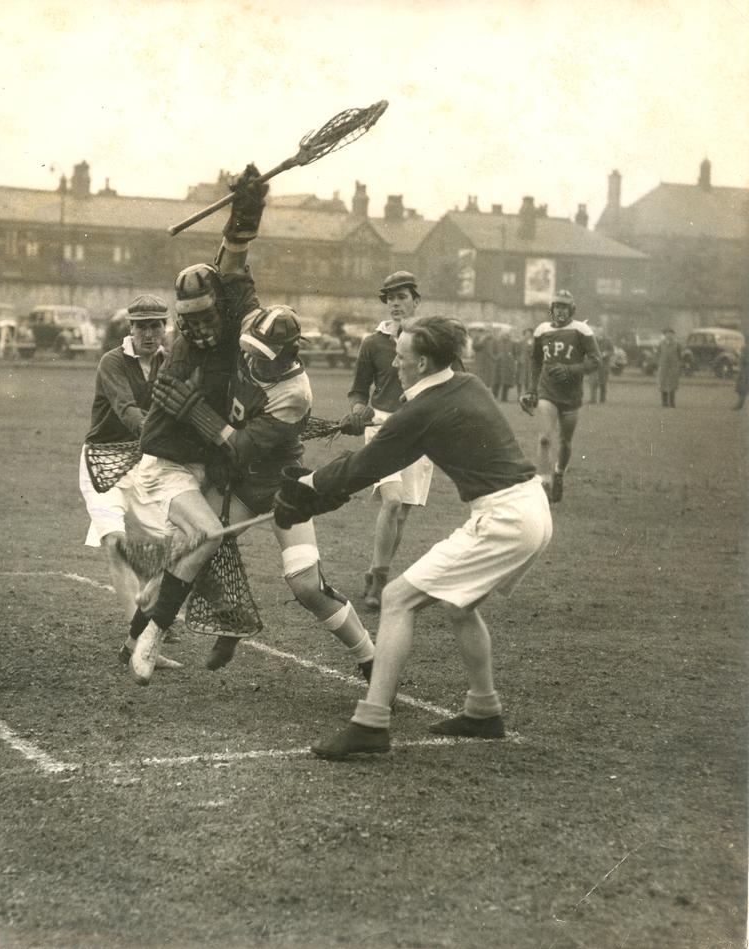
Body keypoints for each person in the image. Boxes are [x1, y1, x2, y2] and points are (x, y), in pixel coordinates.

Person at [272, 315, 553, 758]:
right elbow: (376, 460)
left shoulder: (424, 408)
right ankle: (484, 709)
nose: (394, 365)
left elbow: (368, 465)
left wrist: (305, 489)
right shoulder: (466, 383)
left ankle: (370, 724)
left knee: (398, 598)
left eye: (401, 358)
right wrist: (318, 493)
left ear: (422, 363)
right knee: (460, 607)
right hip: (530, 508)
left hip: (506, 519)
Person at [155, 304, 376, 677]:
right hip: (238, 484)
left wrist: (196, 412)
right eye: (249, 349)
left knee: (307, 587)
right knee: (189, 546)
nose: (250, 360)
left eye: (262, 356)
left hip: (280, 487)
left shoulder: (295, 393)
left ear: (289, 353)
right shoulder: (248, 339)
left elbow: (240, 446)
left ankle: (369, 656)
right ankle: (232, 617)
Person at [122, 164, 269, 684]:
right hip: (164, 466)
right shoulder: (180, 355)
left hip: (201, 468)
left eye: (210, 316)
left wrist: (247, 209)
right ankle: (150, 638)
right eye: (192, 320)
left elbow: (232, 259)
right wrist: (213, 429)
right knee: (207, 534)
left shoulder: (231, 316)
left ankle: (139, 618)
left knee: (187, 553)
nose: (203, 328)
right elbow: (175, 430)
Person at [79, 294, 173, 667]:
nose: (149, 333)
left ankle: (141, 632)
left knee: (178, 548)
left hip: (146, 464)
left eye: (156, 325)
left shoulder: (170, 363)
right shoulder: (113, 362)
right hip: (101, 462)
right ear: (130, 329)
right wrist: (164, 432)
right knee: (116, 544)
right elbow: (127, 411)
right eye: (142, 326)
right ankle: (136, 645)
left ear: (165, 328)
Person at [339, 271, 435, 610]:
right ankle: (379, 581)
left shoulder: (433, 341)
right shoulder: (373, 342)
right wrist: (358, 408)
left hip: (421, 430)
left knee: (402, 514)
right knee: (391, 502)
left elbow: (456, 380)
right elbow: (358, 389)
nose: (395, 303)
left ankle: (374, 573)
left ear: (416, 300)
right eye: (390, 298)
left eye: (402, 297)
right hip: (381, 428)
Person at [518, 290, 599, 503]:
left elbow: (595, 361)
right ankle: (543, 482)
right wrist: (531, 389)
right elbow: (535, 361)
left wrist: (571, 369)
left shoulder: (581, 329)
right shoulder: (542, 330)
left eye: (564, 307)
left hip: (571, 393)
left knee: (565, 441)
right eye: (557, 307)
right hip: (548, 390)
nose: (560, 311)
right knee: (545, 438)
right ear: (551, 309)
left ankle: (559, 473)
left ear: (571, 310)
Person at [656, 327, 682, 408]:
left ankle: (672, 402)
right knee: (663, 384)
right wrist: (660, 363)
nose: (669, 335)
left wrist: (677, 364)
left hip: (673, 367)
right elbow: (658, 354)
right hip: (663, 367)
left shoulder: (677, 344)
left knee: (672, 385)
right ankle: (664, 403)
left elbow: (679, 355)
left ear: (673, 335)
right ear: (665, 335)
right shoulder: (661, 344)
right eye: (667, 334)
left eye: (671, 334)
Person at [488, 327, 515, 402]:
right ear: (501, 334)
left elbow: (514, 353)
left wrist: (512, 359)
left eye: (507, 334)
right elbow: (491, 352)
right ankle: (494, 397)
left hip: (508, 365)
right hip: (498, 365)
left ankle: (504, 397)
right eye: (504, 333)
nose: (506, 335)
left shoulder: (511, 342)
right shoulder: (496, 341)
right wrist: (496, 358)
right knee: (496, 381)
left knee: (507, 382)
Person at [589, 330, 616, 404]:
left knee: (603, 382)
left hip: (604, 365)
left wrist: (605, 354)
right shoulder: (592, 341)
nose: (597, 334)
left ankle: (602, 399)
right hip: (594, 364)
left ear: (603, 334)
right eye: (596, 333)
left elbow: (612, 351)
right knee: (593, 382)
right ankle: (593, 399)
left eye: (599, 333)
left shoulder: (608, 341)